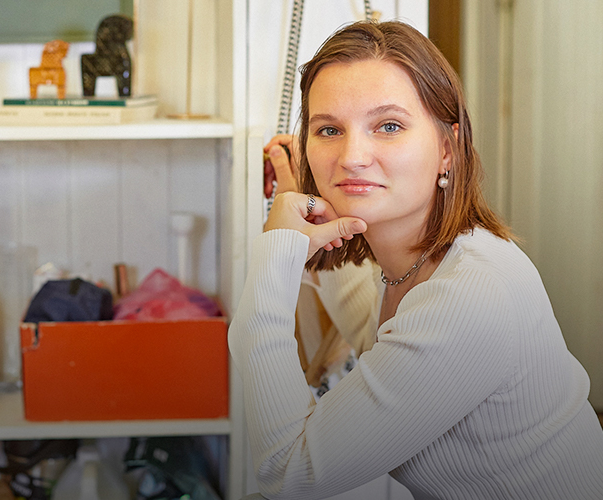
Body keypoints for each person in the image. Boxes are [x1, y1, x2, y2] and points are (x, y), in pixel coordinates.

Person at [228, 20, 603, 500]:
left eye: (388, 126)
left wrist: (273, 252)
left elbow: (288, 474)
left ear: (446, 148)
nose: (352, 156)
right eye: (328, 130)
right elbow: (362, 308)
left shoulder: (471, 293)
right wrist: (294, 200)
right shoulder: (409, 263)